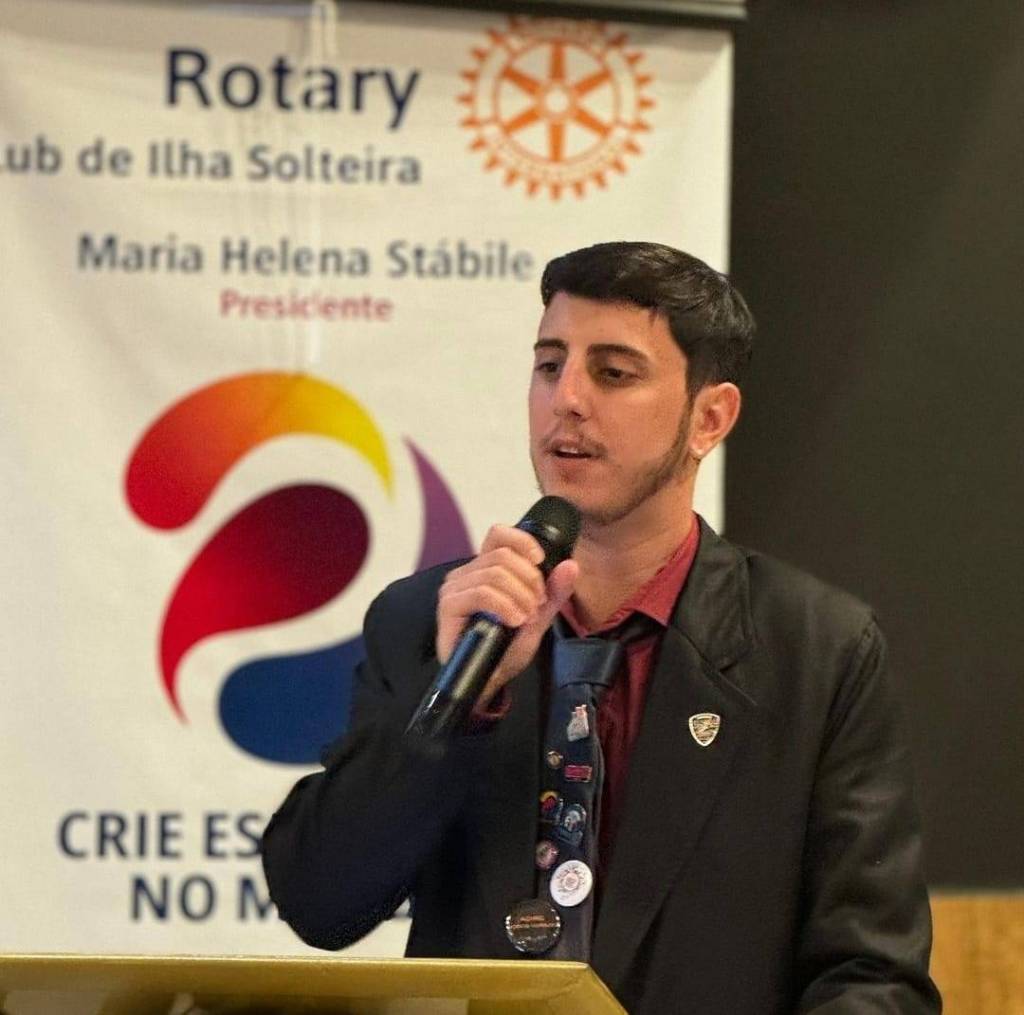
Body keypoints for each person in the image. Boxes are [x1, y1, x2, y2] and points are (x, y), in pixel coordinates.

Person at [262, 242, 941, 1014]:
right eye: (549, 365)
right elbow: (320, 902)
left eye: (613, 372)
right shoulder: (431, 618)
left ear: (709, 417)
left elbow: (873, 974)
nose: (568, 399)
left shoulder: (817, 649)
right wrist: (451, 707)